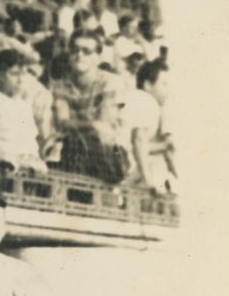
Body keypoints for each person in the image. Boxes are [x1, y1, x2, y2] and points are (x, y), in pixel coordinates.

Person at [51, 30, 130, 183]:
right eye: (75, 50)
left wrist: (75, 125)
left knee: (94, 138)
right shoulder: (61, 86)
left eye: (86, 51)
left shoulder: (111, 82)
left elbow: (102, 125)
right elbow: (61, 123)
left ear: (98, 57)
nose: (79, 55)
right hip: (77, 150)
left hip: (111, 155)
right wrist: (90, 125)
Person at [0, 49, 48, 171]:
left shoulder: (25, 105)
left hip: (29, 159)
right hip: (8, 160)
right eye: (14, 74)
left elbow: (30, 138)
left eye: (24, 73)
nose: (20, 79)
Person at [127, 58, 176, 192]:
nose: (168, 91)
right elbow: (139, 140)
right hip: (125, 167)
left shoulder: (134, 98)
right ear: (148, 84)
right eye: (164, 84)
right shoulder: (147, 101)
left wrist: (164, 146)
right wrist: (148, 182)